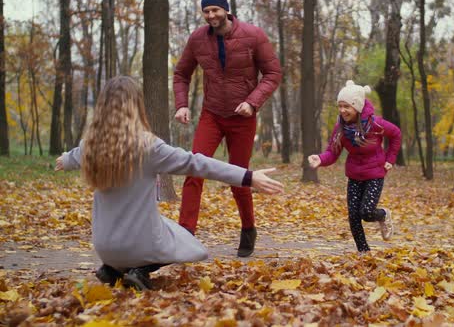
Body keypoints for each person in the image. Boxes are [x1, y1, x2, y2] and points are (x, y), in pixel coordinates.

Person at [55, 76, 284, 290]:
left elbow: (72, 157)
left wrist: (64, 159)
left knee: (160, 225)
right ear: (136, 107)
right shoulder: (148, 146)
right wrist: (248, 176)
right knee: (191, 245)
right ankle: (140, 269)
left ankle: (112, 269)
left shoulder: (91, 145)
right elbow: (198, 164)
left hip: (103, 248)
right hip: (137, 245)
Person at [173, 0, 281, 257]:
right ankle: (185, 235)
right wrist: (182, 105)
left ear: (226, 10)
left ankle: (248, 228)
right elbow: (181, 74)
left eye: (215, 10)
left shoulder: (253, 35)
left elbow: (273, 74)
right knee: (194, 168)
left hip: (242, 117)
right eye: (206, 11)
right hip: (212, 114)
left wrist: (252, 102)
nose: (211, 15)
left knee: (239, 177)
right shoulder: (198, 38)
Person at [308, 80, 402, 253]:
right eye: (340, 106)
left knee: (366, 212)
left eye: (347, 106)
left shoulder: (376, 125)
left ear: (357, 107)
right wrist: (320, 159)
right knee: (353, 216)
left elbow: (396, 134)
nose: (342, 110)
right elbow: (332, 152)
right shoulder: (341, 128)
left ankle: (383, 214)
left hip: (374, 173)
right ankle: (364, 252)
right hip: (354, 175)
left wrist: (391, 158)